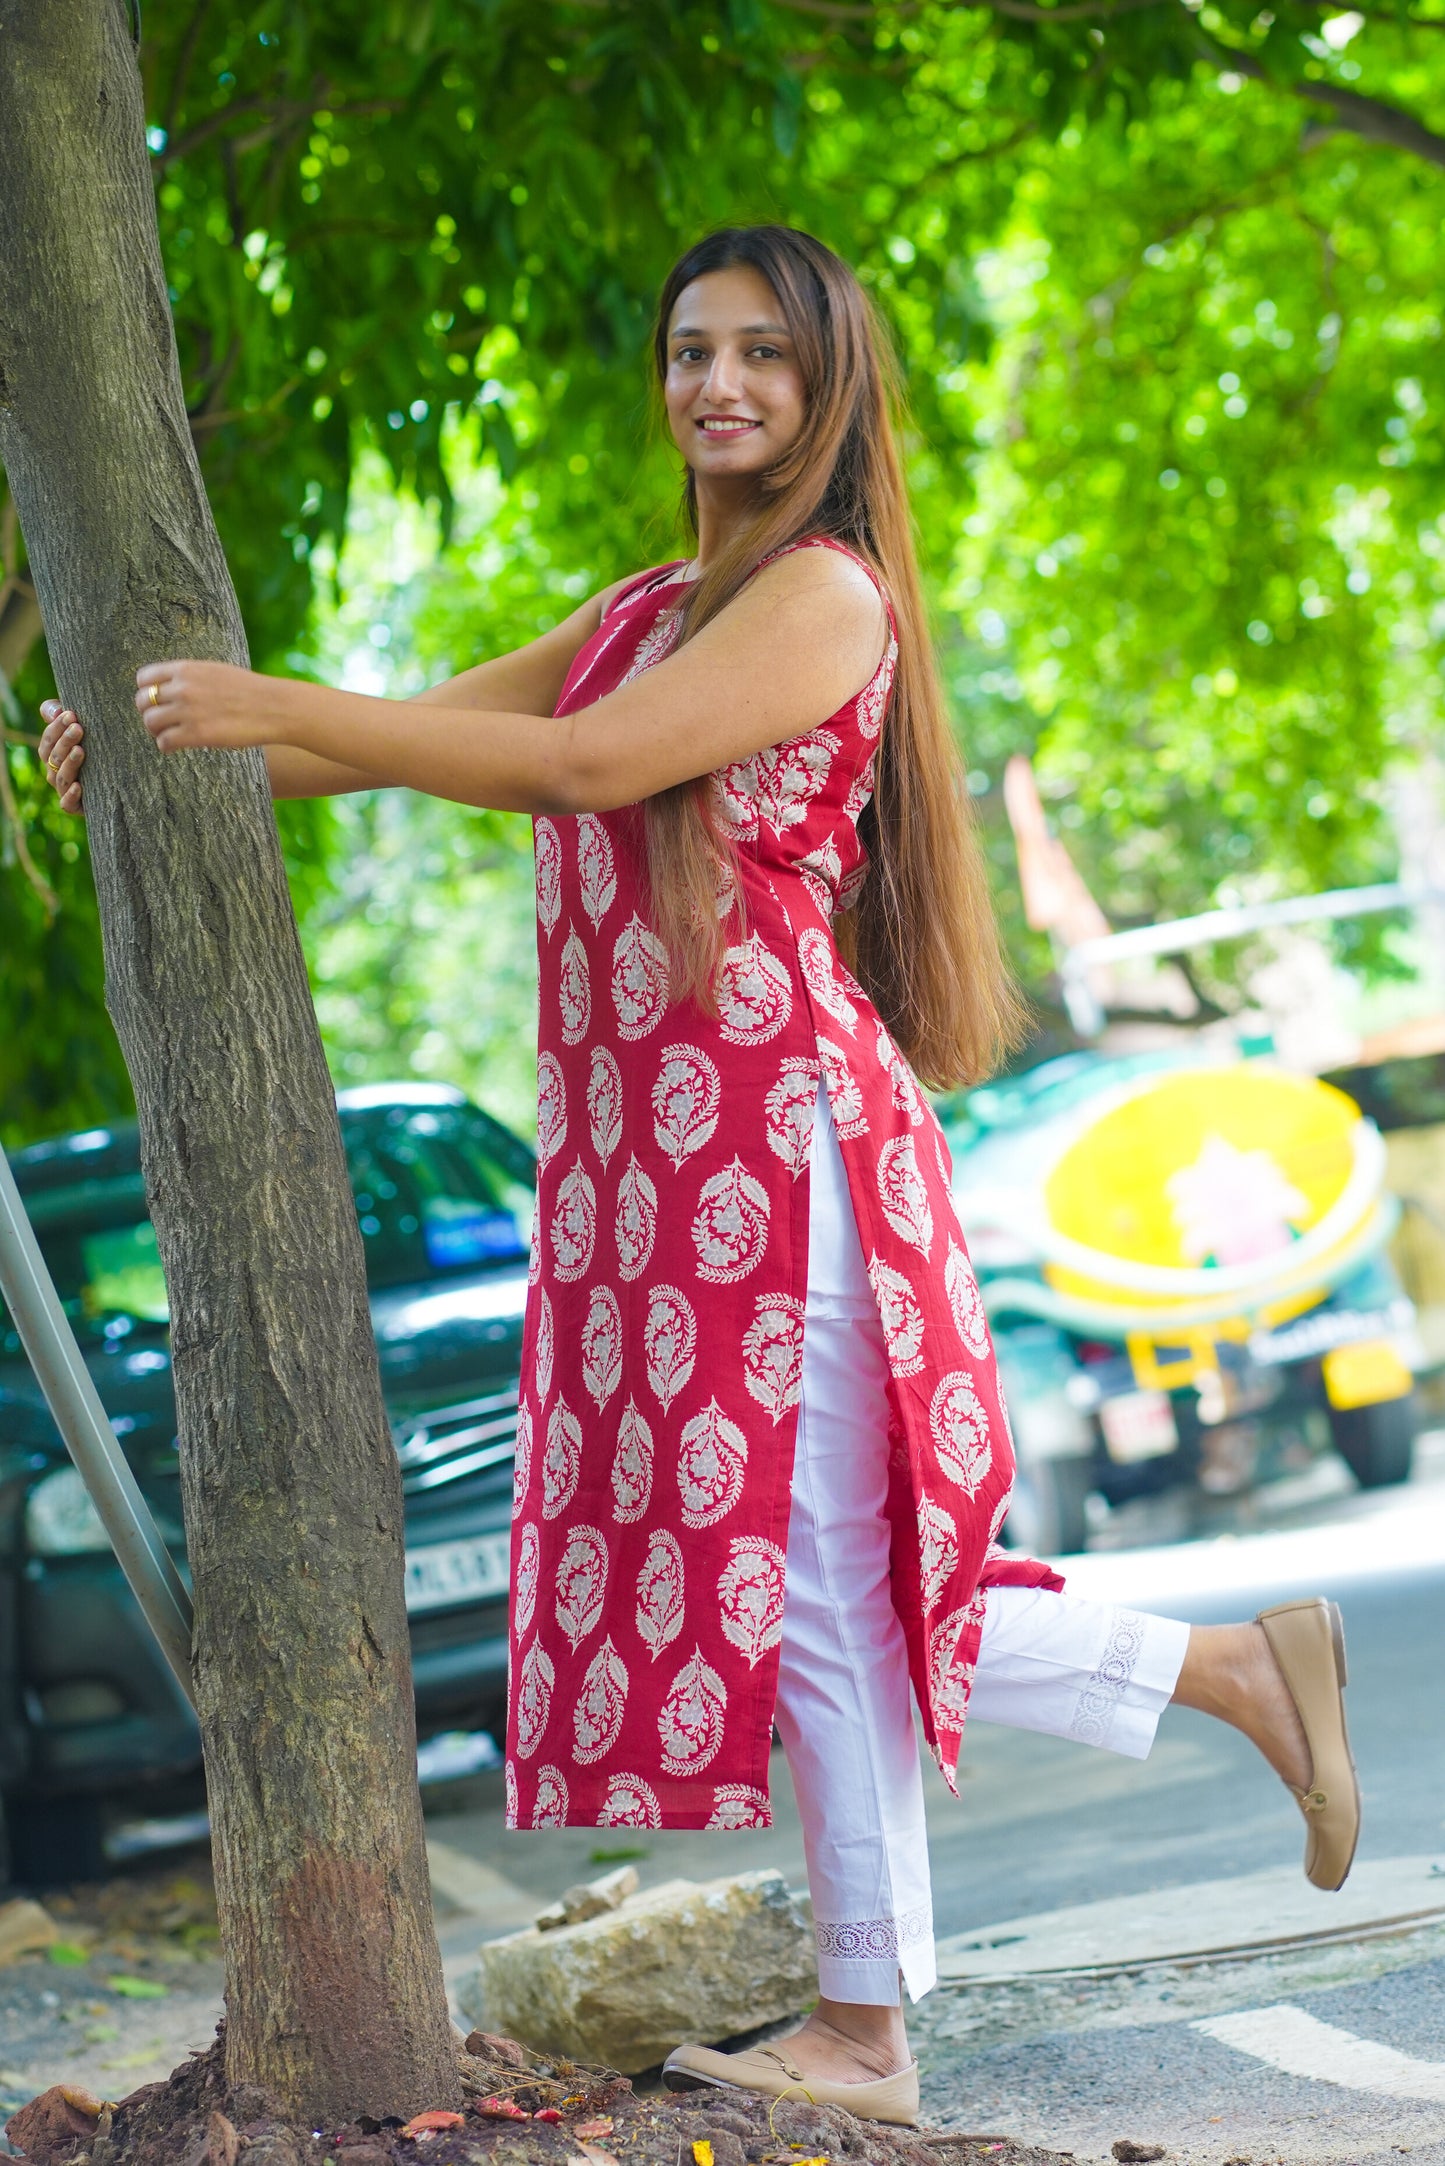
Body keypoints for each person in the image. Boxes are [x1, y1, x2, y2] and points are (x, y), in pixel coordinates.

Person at [39, 224, 1359, 2130]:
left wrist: (258, 713)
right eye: (687, 352)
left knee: (816, 1579)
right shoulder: (655, 600)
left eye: (760, 353)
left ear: (829, 389)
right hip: (666, 1187)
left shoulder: (824, 600)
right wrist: (167, 736)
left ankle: (869, 2026)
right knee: (804, 1575)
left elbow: (579, 773)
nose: (717, 383)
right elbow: (418, 735)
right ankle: (1229, 1669)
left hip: (784, 1158)